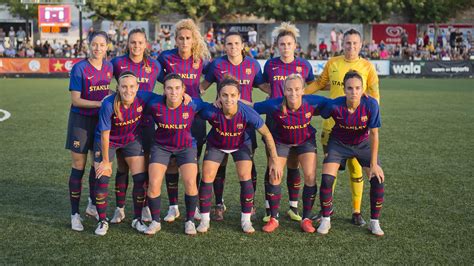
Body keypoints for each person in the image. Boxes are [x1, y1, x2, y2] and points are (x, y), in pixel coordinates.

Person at [305, 28, 380, 226]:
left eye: (355, 43)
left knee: (356, 169)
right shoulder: (333, 63)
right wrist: (299, 93)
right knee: (331, 170)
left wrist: (372, 117)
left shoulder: (367, 66)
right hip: (332, 126)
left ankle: (356, 211)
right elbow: (320, 84)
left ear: (361, 45)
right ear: (342, 44)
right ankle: (326, 210)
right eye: (348, 43)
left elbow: (375, 93)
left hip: (358, 128)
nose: (351, 46)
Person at [243, 74, 330, 233]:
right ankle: (274, 219)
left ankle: (307, 219)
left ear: (303, 90)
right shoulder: (275, 105)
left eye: (297, 89)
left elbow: (338, 103)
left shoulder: (313, 101)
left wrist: (362, 96)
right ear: (284, 91)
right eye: (289, 89)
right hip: (281, 142)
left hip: (305, 141)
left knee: (310, 176)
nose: (293, 93)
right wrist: (228, 100)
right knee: (274, 174)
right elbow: (252, 105)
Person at [196, 76, 281, 234]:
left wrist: (275, 160)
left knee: (245, 175)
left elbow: (267, 134)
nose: (229, 99)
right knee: (207, 176)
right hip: (217, 143)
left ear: (239, 96)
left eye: (233, 95)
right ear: (219, 96)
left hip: (241, 144)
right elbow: (193, 109)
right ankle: (205, 220)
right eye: (224, 95)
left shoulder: (247, 112)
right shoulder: (210, 110)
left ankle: (246, 220)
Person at [200, 31, 269, 221]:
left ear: (242, 45)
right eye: (228, 43)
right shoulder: (217, 64)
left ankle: (250, 204)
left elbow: (263, 86)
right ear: (224, 46)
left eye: (236, 43)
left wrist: (281, 94)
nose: (232, 47)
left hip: (245, 123)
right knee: (219, 165)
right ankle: (219, 204)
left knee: (248, 165)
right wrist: (188, 94)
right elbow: (203, 86)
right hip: (222, 121)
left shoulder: (252, 64)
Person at [316, 70, 385, 236]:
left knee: (378, 178)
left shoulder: (371, 105)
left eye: (357, 88)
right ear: (344, 90)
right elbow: (314, 108)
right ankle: (326, 219)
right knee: (326, 179)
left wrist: (374, 164)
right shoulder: (335, 105)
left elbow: (374, 134)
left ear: (363, 89)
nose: (354, 92)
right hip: (338, 144)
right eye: (350, 88)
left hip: (362, 145)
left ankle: (374, 222)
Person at [158, 18, 211, 222]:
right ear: (176, 40)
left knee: (193, 162)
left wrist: (201, 90)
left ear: (194, 39)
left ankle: (194, 205)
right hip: (170, 116)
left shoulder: (200, 59)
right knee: (171, 161)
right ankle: (173, 206)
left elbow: (214, 75)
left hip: (194, 117)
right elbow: (156, 74)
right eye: (181, 38)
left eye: (188, 38)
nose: (185, 41)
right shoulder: (165, 57)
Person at [262, 22, 315, 223]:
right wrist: (274, 99)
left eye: (289, 44)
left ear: (295, 45)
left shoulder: (304, 66)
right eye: (282, 44)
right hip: (275, 122)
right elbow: (265, 84)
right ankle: (269, 210)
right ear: (277, 46)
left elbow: (309, 86)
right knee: (272, 165)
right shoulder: (270, 65)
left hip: (298, 122)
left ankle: (293, 207)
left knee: (294, 164)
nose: (285, 47)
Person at [110, 28, 163, 224]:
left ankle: (146, 206)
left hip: (146, 123)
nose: (136, 46)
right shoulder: (117, 63)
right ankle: (120, 208)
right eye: (133, 42)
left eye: (140, 42)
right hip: (123, 123)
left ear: (146, 44)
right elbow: (103, 82)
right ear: (128, 43)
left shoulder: (155, 65)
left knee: (145, 167)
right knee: (122, 166)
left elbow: (169, 83)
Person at [93, 71, 153, 235]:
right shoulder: (108, 104)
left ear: (137, 87)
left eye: (132, 86)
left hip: (130, 139)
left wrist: (186, 98)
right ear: (118, 88)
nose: (128, 90)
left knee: (140, 178)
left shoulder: (144, 97)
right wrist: (105, 161)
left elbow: (168, 98)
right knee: (102, 177)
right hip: (107, 140)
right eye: (124, 86)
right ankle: (102, 220)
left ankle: (137, 219)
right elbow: (105, 134)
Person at [144, 74, 204, 236]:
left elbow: (212, 108)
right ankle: (156, 221)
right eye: (169, 88)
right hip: (161, 147)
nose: (173, 92)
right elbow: (137, 95)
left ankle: (190, 221)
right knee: (154, 182)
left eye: (177, 88)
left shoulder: (192, 104)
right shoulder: (154, 105)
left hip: (186, 147)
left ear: (184, 90)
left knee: (191, 181)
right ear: (163, 90)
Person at [65, 31, 113, 231]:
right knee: (79, 166)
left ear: (107, 47)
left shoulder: (109, 67)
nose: (98, 48)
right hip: (80, 122)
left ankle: (92, 204)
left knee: (98, 164)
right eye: (94, 44)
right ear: (89, 46)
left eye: (102, 45)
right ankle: (75, 214)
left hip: (100, 122)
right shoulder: (80, 68)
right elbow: (75, 99)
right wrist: (99, 103)